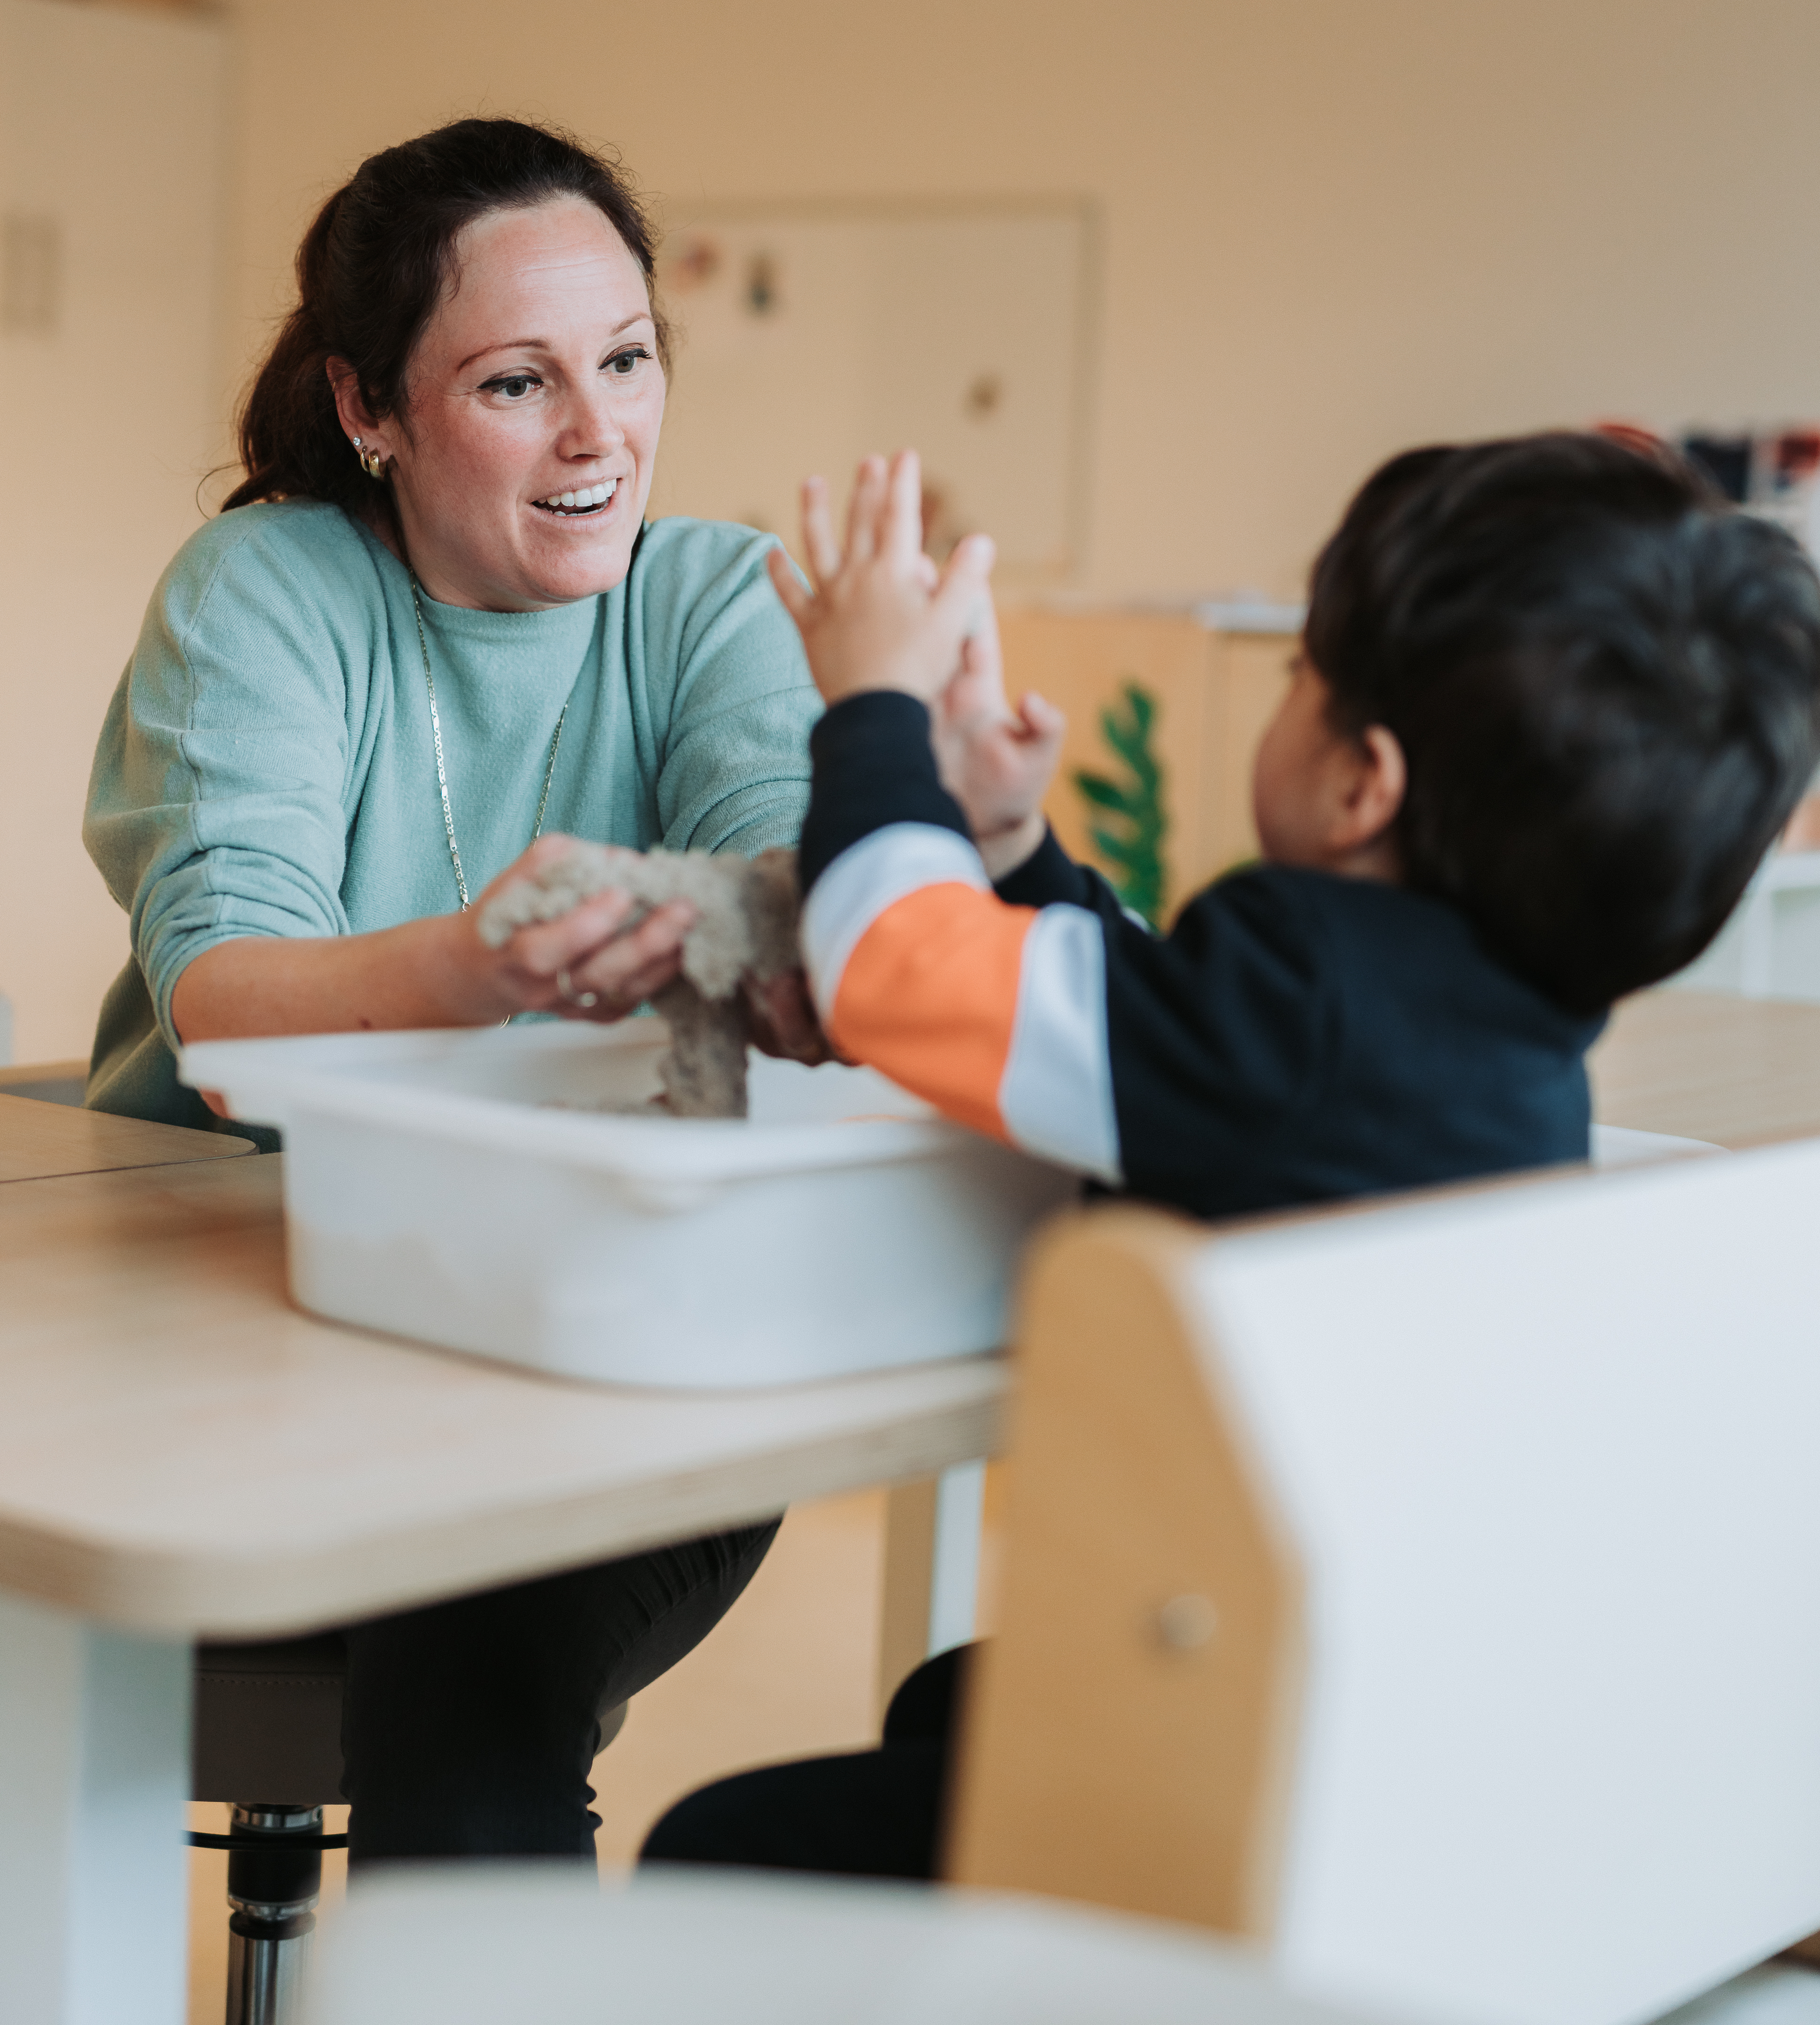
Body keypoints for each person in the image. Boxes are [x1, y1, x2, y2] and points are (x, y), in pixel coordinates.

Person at [641, 429, 1820, 1881]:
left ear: (1360, 786)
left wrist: (873, 710)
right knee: (952, 1700)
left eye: (1298, 677)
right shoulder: (1505, 1031)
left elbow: (893, 963)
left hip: (1270, 1789)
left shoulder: (1300, 999)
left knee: (718, 1845)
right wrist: (1008, 840)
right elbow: (1149, 1024)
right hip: (1417, 1720)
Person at [82, 116, 823, 1865]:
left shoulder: (711, 595)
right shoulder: (268, 589)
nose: (600, 435)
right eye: (517, 381)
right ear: (371, 407)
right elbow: (223, 1006)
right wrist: (483, 960)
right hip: (230, 1323)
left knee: (474, 1640)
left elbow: (795, 929)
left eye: (628, 359)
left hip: (598, 1331)